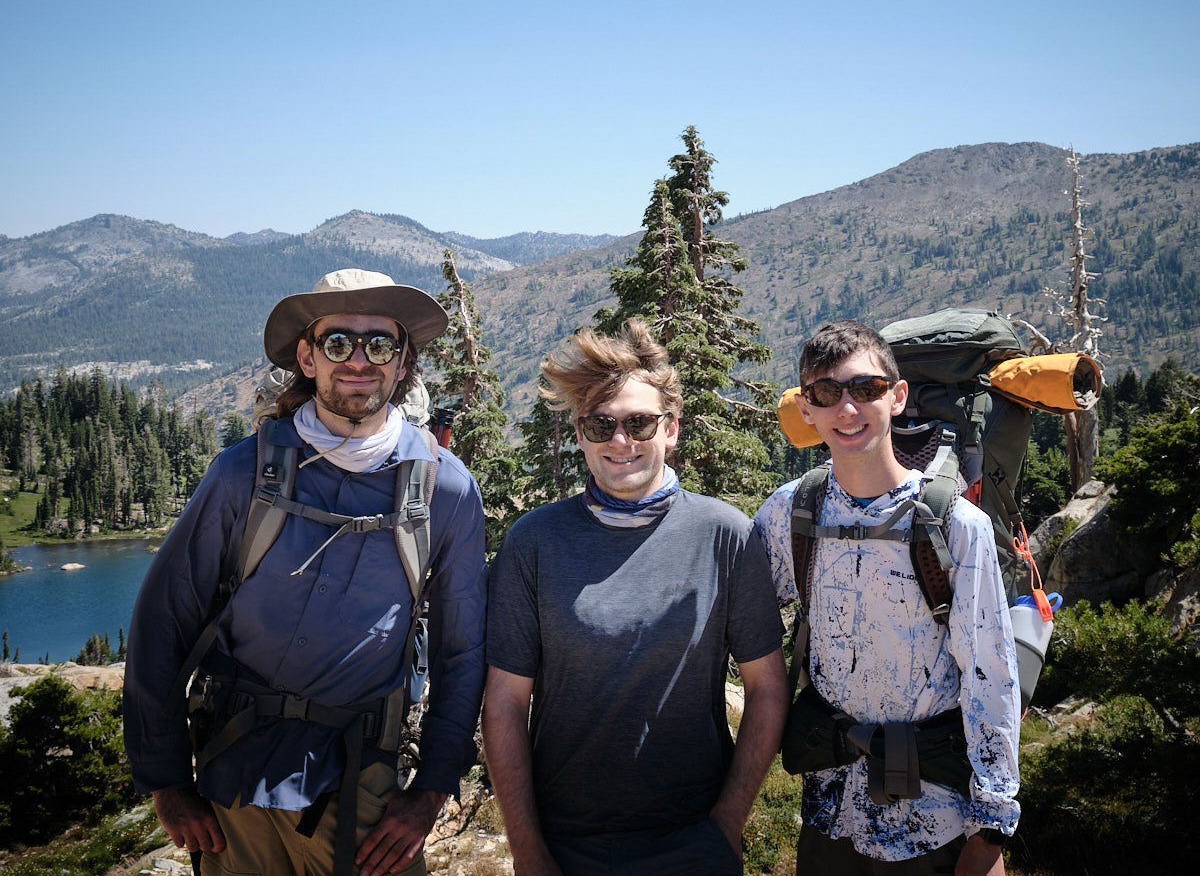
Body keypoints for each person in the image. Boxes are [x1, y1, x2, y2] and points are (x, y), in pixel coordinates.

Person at [124, 269, 487, 876]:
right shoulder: (244, 472)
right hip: (233, 778)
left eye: (380, 344)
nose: (358, 361)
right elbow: (164, 619)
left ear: (403, 363)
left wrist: (430, 791)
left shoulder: (445, 489)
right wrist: (166, 780)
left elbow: (463, 651)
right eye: (338, 342)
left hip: (360, 781)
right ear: (307, 356)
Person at [483, 319, 788, 876]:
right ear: (579, 434)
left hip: (693, 840)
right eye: (600, 425)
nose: (620, 441)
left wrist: (726, 824)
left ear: (671, 429)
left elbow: (767, 689)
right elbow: (504, 703)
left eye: (640, 423)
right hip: (566, 844)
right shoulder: (534, 543)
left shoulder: (725, 534)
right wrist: (528, 851)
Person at [753, 320, 1020, 876]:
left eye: (866, 389)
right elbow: (745, 632)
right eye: (827, 394)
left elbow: (990, 675)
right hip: (831, 810)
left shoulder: (955, 524)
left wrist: (992, 826)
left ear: (897, 397)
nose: (847, 409)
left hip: (939, 814)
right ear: (807, 409)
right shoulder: (788, 514)